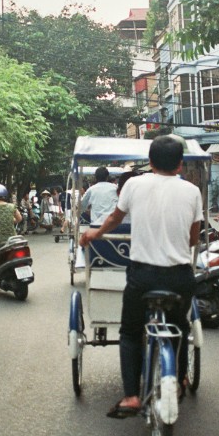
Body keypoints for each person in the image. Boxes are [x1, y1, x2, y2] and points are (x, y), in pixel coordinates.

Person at [80, 135, 203, 419]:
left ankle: (132, 396)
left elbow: (113, 218)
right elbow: (193, 239)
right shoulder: (192, 192)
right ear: (180, 165)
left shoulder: (133, 184)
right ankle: (181, 378)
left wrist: (94, 234)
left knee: (130, 332)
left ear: (150, 162)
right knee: (180, 328)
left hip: (143, 276)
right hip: (180, 277)